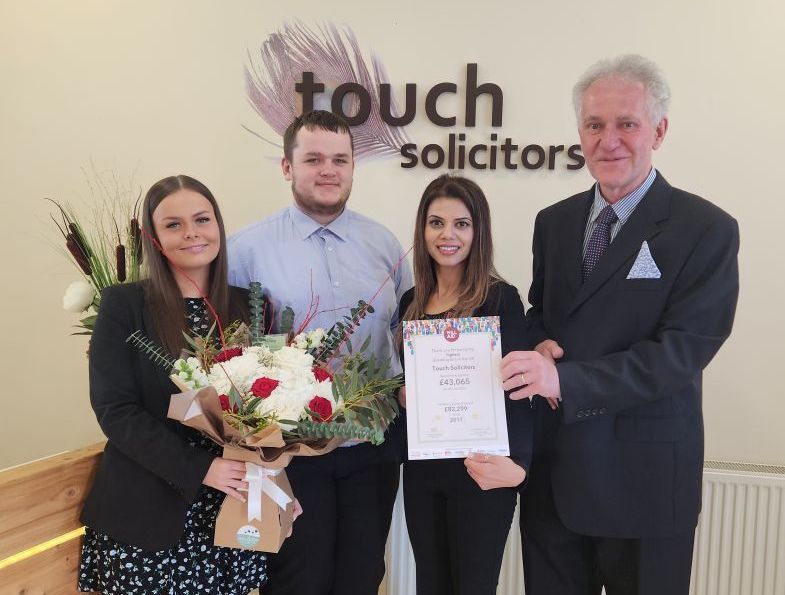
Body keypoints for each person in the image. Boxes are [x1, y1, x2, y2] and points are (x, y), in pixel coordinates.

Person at [501, 55, 740, 595]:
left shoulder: (706, 229)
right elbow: (545, 310)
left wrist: (565, 381)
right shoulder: (554, 223)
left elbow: (682, 352)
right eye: (594, 125)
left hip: (645, 483)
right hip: (556, 479)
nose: (608, 140)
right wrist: (538, 341)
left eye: (626, 124)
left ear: (659, 129)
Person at [228, 110, 412, 595]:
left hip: (371, 447)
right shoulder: (246, 250)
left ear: (353, 167)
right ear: (287, 168)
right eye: (313, 159)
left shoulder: (386, 246)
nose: (328, 170)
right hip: (290, 454)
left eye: (339, 159)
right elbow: (228, 353)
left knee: (362, 576)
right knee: (296, 580)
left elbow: (404, 334)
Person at [78, 175, 269, 594]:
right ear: (153, 238)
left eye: (202, 219)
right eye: (173, 224)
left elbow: (270, 414)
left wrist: (274, 494)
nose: (191, 233)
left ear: (218, 224)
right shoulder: (124, 305)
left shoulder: (250, 305)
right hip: (148, 513)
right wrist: (202, 468)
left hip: (229, 514)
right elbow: (115, 410)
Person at [396, 174, 533, 594]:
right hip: (423, 472)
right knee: (430, 585)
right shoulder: (411, 304)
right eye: (436, 223)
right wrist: (403, 394)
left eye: (461, 224)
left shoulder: (500, 300)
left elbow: (521, 391)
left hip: (482, 473)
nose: (447, 235)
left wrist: (521, 468)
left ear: (478, 232)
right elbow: (403, 385)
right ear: (422, 230)